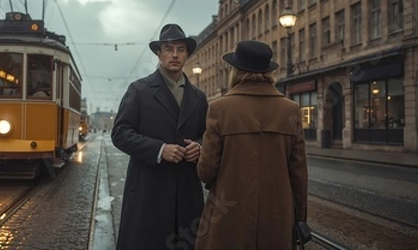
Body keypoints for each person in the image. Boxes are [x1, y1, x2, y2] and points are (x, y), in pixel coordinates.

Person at [194, 40, 308, 250]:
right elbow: (298, 174)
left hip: (228, 217)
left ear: (235, 71)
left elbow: (206, 170)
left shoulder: (220, 109)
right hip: (277, 218)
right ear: (268, 71)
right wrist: (299, 218)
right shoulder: (291, 110)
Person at [111, 23, 208, 250]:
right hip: (148, 191)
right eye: (169, 48)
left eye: (181, 49)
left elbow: (207, 135)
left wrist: (200, 147)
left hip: (186, 191)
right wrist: (159, 149)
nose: (175, 55)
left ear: (187, 54)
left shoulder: (199, 97)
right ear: (159, 53)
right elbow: (120, 133)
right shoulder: (139, 90)